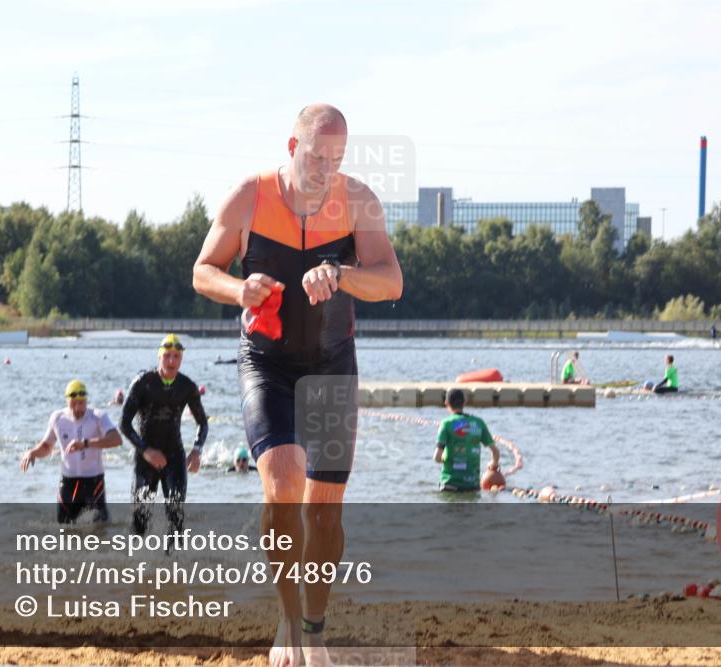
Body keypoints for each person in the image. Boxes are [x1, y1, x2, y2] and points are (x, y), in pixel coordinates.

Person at [192, 103, 403, 667]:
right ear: (293, 148)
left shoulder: (358, 201)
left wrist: (341, 274)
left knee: (324, 514)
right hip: (268, 364)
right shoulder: (249, 196)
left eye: (337, 158)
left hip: (332, 364)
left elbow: (391, 282)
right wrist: (239, 290)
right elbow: (202, 270)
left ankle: (315, 625)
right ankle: (288, 624)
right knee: (283, 487)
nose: (326, 169)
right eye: (317, 156)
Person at [119, 334, 209, 537]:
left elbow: (202, 423)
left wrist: (196, 450)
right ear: (159, 357)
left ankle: (172, 565)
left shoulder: (187, 387)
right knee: (140, 520)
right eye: (167, 355)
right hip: (145, 459)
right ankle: (136, 565)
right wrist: (146, 450)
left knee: (176, 518)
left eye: (176, 356)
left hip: (174, 457)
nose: (171, 361)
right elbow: (124, 423)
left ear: (181, 359)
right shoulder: (143, 382)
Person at [20, 380, 122, 524]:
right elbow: (46, 447)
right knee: (64, 530)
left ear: (86, 400)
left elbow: (116, 439)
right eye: (74, 403)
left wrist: (86, 443)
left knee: (100, 530)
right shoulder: (58, 418)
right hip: (68, 483)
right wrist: (31, 453)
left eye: (82, 403)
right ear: (67, 400)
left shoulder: (98, 417)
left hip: (93, 482)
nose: (78, 407)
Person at [433, 389, 500, 492]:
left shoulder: (446, 423)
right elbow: (495, 452)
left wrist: (454, 460)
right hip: (471, 485)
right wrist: (493, 464)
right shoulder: (478, 423)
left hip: (449, 484)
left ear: (446, 404)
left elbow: (437, 458)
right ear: (464, 402)